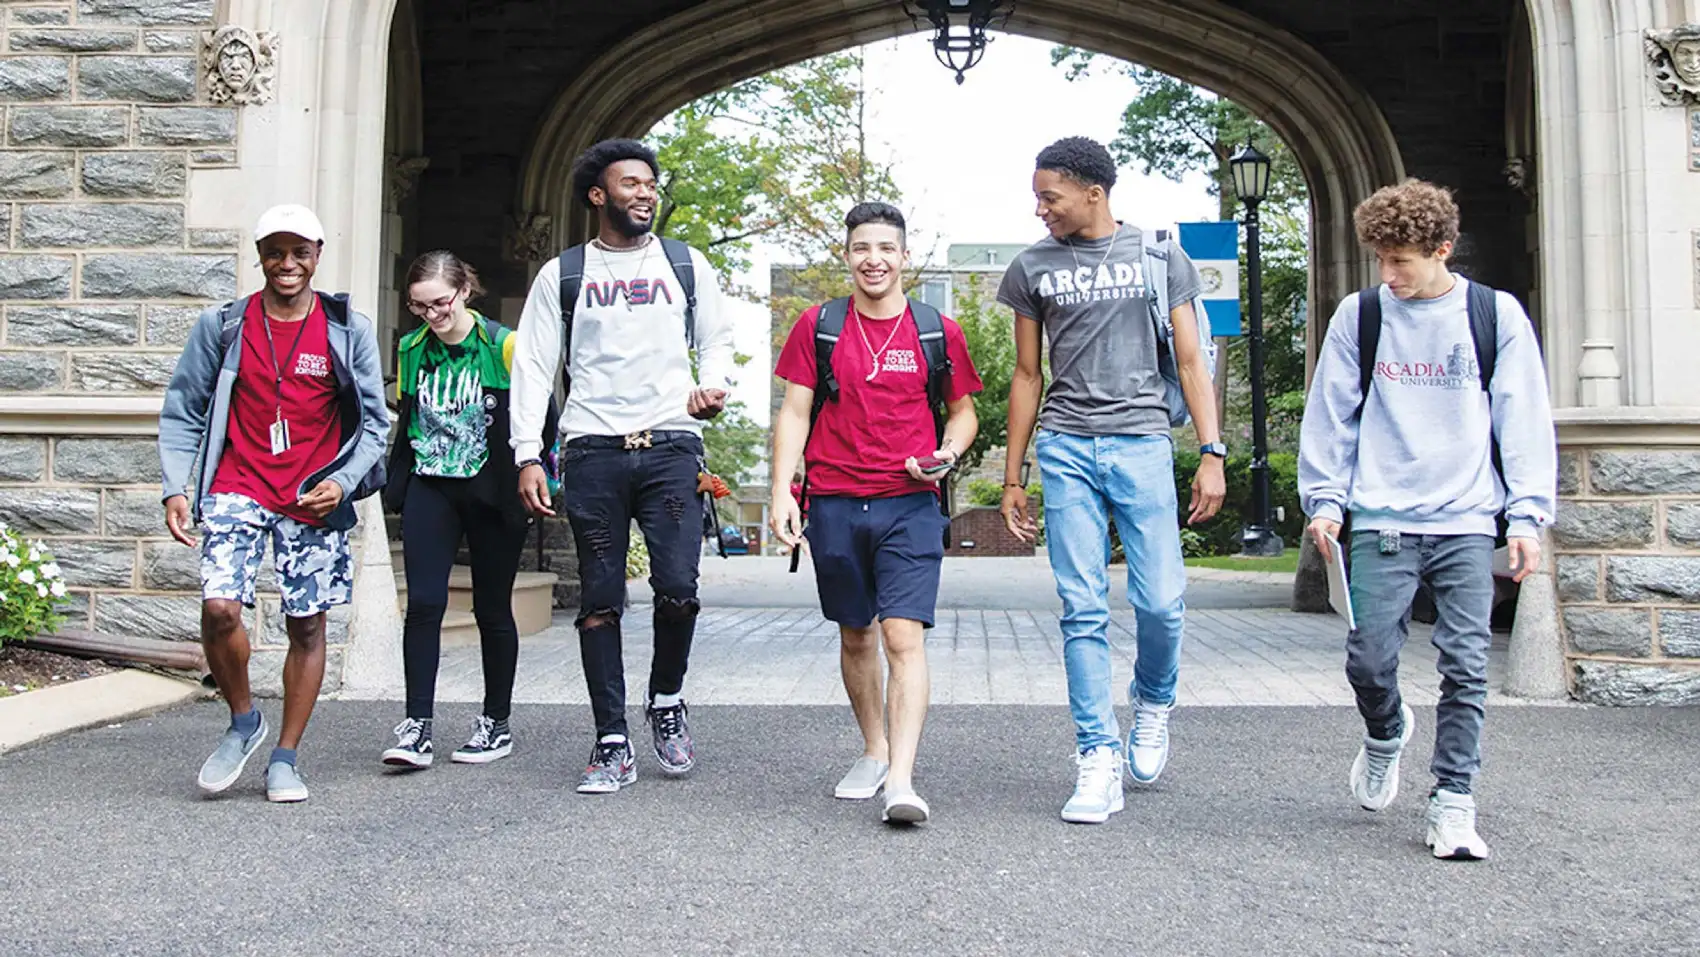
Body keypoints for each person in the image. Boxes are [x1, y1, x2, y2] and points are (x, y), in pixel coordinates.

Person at [1298, 178, 1555, 861]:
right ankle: (1385, 732)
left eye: (1401, 261)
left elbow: (1522, 419)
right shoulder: (1362, 318)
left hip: (1466, 520)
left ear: (1442, 249)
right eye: (1380, 259)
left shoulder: (1493, 317)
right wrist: (1325, 502)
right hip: (1383, 515)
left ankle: (1452, 800)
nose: (1388, 274)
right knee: (1369, 658)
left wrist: (1526, 516)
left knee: (1466, 666)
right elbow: (1332, 416)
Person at [997, 137, 1225, 824]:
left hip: (1142, 444)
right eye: (1038, 197)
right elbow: (1027, 375)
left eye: (1050, 197)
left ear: (1093, 192)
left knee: (1161, 601)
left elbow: (1190, 361)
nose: (1040, 209)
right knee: (1081, 605)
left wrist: (1211, 451)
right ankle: (1096, 754)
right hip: (1066, 446)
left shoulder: (1158, 256)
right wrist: (1014, 476)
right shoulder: (1031, 268)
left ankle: (1153, 700)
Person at [509, 138, 734, 794]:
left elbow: (716, 339)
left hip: (670, 447)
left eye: (650, 183)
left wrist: (713, 385)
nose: (644, 192)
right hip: (593, 451)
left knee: (679, 588)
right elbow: (532, 366)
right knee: (599, 599)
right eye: (630, 183)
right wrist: (528, 453)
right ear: (598, 195)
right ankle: (611, 737)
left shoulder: (686, 265)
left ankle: (666, 697)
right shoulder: (565, 273)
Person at [158, 204, 388, 803]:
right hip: (237, 484)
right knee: (219, 609)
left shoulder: (346, 329)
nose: (287, 264)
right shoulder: (225, 324)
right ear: (260, 254)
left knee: (306, 623)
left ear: (317, 254)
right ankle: (243, 721)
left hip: (311, 495)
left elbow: (374, 426)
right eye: (275, 252)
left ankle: (285, 757)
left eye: (299, 252)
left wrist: (343, 481)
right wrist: (175, 487)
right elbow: (184, 408)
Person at [770, 202, 982, 826]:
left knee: (901, 636)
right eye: (862, 248)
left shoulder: (937, 330)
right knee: (856, 633)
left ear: (904, 257)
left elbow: (964, 411)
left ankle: (903, 780)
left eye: (886, 248)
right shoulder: (820, 325)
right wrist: (784, 488)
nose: (874, 259)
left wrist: (948, 451)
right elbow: (795, 412)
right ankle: (873, 750)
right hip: (834, 500)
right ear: (847, 255)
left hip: (909, 504)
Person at [380, 251, 546, 769]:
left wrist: (536, 473)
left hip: (493, 488)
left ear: (465, 291)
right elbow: (407, 418)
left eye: (440, 303)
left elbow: (543, 414)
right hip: (433, 486)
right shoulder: (410, 349)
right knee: (424, 604)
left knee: (491, 608)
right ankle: (417, 726)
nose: (432, 315)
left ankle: (496, 722)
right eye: (419, 307)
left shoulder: (505, 346)